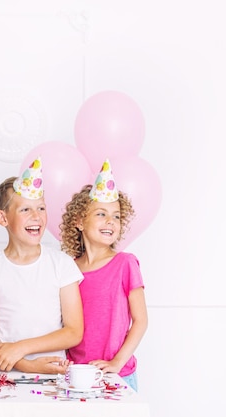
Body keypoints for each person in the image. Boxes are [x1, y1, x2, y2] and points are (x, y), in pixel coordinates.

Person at [0, 156, 84, 375]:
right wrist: (26, 364)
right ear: (2, 218)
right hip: (1, 377)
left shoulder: (61, 264)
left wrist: (21, 348)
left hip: (52, 374)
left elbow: (74, 331)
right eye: (25, 210)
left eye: (41, 208)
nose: (36, 217)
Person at [60, 159, 148, 391]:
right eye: (101, 214)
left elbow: (141, 320)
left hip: (117, 375)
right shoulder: (67, 269)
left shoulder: (125, 264)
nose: (111, 221)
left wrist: (117, 363)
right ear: (79, 221)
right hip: (76, 375)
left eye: (117, 216)